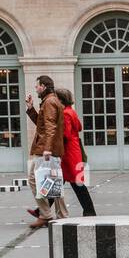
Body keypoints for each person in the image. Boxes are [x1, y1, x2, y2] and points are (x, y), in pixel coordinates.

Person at [23, 75, 66, 229]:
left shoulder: (49, 102)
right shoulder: (50, 101)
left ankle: (46, 214)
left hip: (45, 149)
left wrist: (47, 148)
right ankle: (61, 215)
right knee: (54, 182)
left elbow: (50, 127)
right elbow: (42, 125)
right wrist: (30, 109)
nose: (36, 89)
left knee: (34, 180)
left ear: (45, 86)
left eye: (37, 86)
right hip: (48, 148)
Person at [54, 87, 96, 216]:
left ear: (60, 100)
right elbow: (79, 127)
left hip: (68, 152)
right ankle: (89, 210)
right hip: (74, 150)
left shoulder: (65, 113)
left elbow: (65, 134)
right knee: (66, 182)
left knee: (71, 182)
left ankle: (90, 210)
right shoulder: (71, 111)